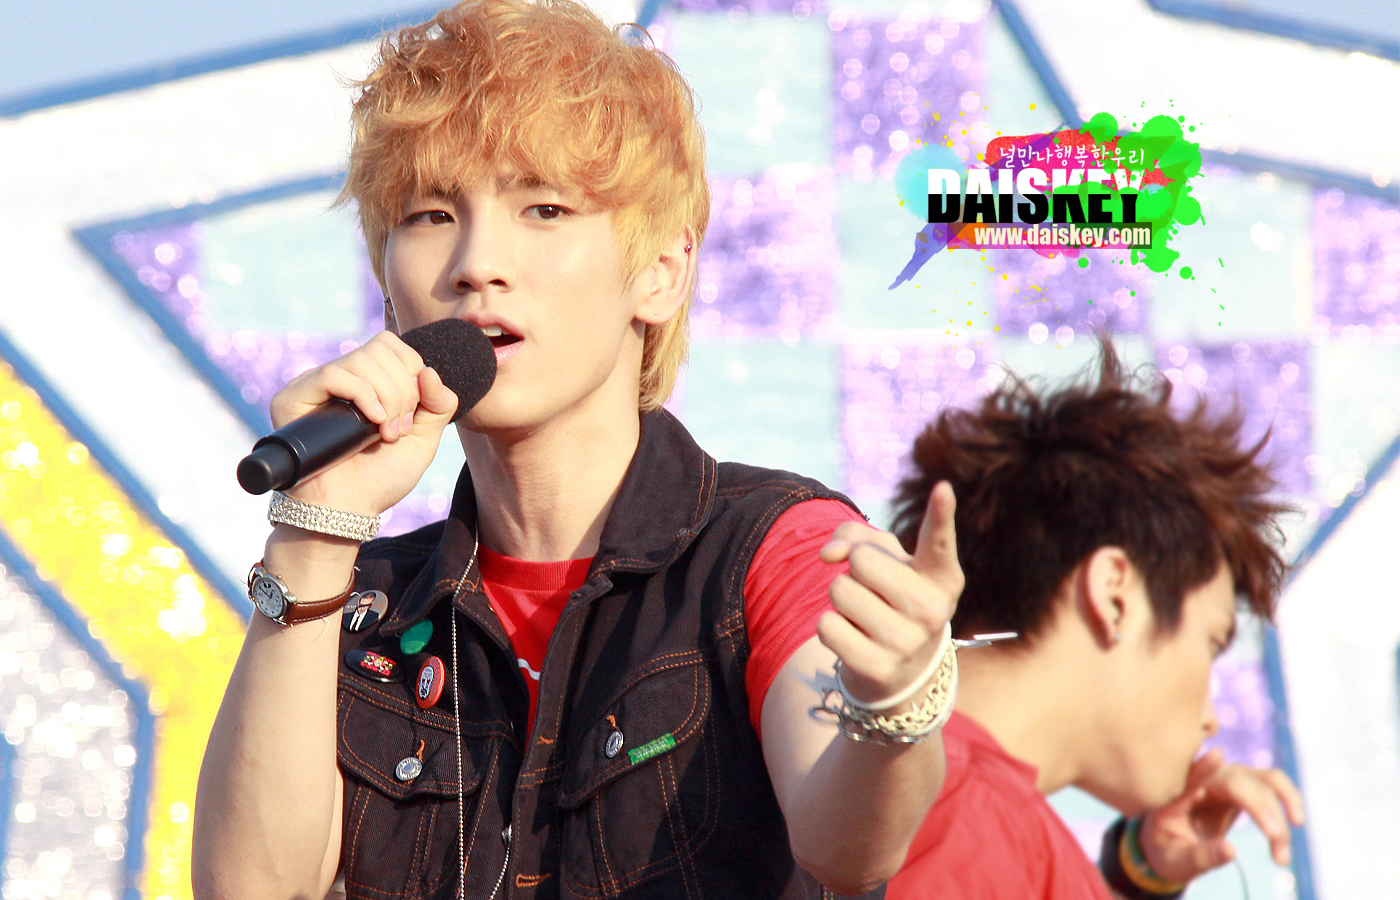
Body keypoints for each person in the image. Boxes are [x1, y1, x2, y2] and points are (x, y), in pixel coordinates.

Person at [191, 2, 965, 898]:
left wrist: (893, 708)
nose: (477, 263)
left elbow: (847, 849)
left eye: (545, 209)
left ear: (661, 272)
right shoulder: (359, 604)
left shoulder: (772, 547)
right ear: (388, 289)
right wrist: (313, 533)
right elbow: (250, 888)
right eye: (431, 213)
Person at [882, 342, 1306, 900]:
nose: (1210, 721)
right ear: (1114, 597)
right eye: (1210, 641)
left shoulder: (915, 792)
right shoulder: (975, 821)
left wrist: (1140, 871)